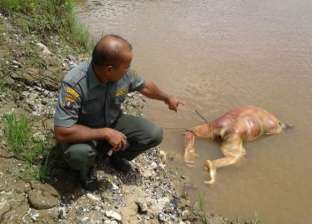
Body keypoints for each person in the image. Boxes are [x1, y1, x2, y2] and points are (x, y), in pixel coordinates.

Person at [54, 34, 183, 191]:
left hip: (112, 122)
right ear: (109, 69)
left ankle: (115, 156)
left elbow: (146, 86)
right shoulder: (75, 84)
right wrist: (106, 133)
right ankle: (87, 170)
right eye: (126, 66)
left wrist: (167, 98)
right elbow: (62, 132)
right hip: (84, 132)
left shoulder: (123, 74)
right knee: (79, 154)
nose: (128, 69)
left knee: (153, 134)